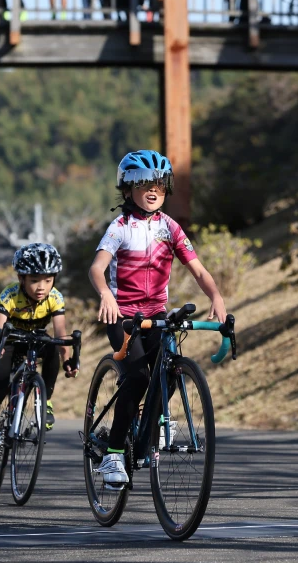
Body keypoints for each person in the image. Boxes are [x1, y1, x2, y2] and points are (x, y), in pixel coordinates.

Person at [88, 150, 227, 487]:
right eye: (143, 183)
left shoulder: (170, 227)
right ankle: (113, 454)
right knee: (137, 379)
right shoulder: (120, 227)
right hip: (123, 316)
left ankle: (151, 425)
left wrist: (216, 296)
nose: (153, 190)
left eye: (160, 185)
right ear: (127, 189)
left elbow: (198, 270)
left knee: (167, 370)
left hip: (155, 314)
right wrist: (105, 293)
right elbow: (96, 268)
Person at [0, 243, 78, 468]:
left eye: (48, 280)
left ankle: (45, 401)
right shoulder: (9, 295)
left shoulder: (55, 298)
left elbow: (61, 333)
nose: (41, 287)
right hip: (9, 342)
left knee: (52, 347)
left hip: (36, 339)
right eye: (34, 280)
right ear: (21, 278)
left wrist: (67, 359)